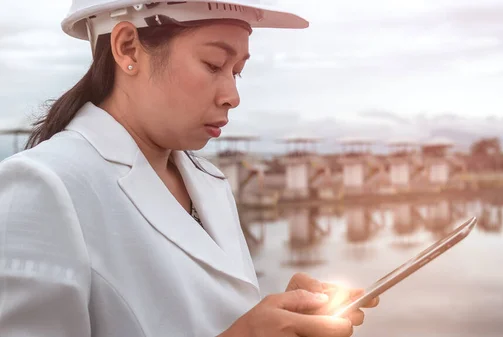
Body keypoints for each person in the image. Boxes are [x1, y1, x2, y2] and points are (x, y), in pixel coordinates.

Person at [0, 1, 378, 336]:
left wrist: (285, 313)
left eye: (237, 71)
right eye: (214, 65)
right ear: (127, 47)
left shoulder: (208, 181)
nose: (232, 96)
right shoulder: (44, 186)